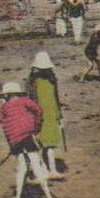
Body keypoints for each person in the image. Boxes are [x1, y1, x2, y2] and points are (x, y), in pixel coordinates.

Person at [0, 81, 54, 198]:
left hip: (15, 140)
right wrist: (36, 128)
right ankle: (49, 197)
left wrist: (3, 105)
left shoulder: (5, 107)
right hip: (28, 137)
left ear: (7, 95)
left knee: (22, 168)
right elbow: (39, 111)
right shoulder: (26, 101)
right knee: (36, 165)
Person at [28, 51, 66, 179]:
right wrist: (60, 116)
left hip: (45, 116)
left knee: (44, 145)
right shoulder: (51, 79)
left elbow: (32, 101)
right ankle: (52, 170)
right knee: (48, 145)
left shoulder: (33, 82)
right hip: (48, 115)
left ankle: (45, 169)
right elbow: (56, 98)